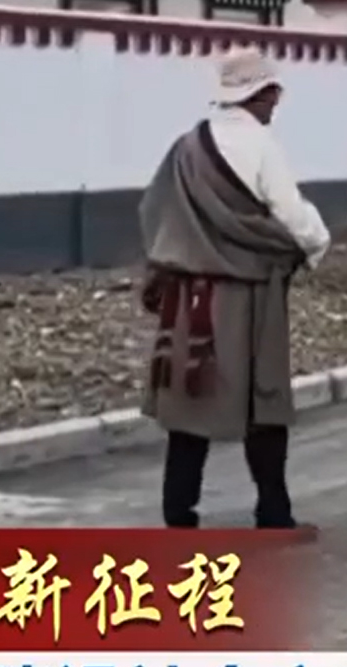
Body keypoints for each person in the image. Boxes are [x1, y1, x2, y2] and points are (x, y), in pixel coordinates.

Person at [136, 48, 331, 534]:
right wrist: (316, 244)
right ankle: (274, 513)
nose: (276, 102)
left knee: (190, 401)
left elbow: (154, 211)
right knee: (262, 401)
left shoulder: (187, 147)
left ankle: (178, 514)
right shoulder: (261, 147)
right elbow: (292, 215)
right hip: (249, 294)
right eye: (273, 93)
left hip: (190, 297)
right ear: (260, 94)